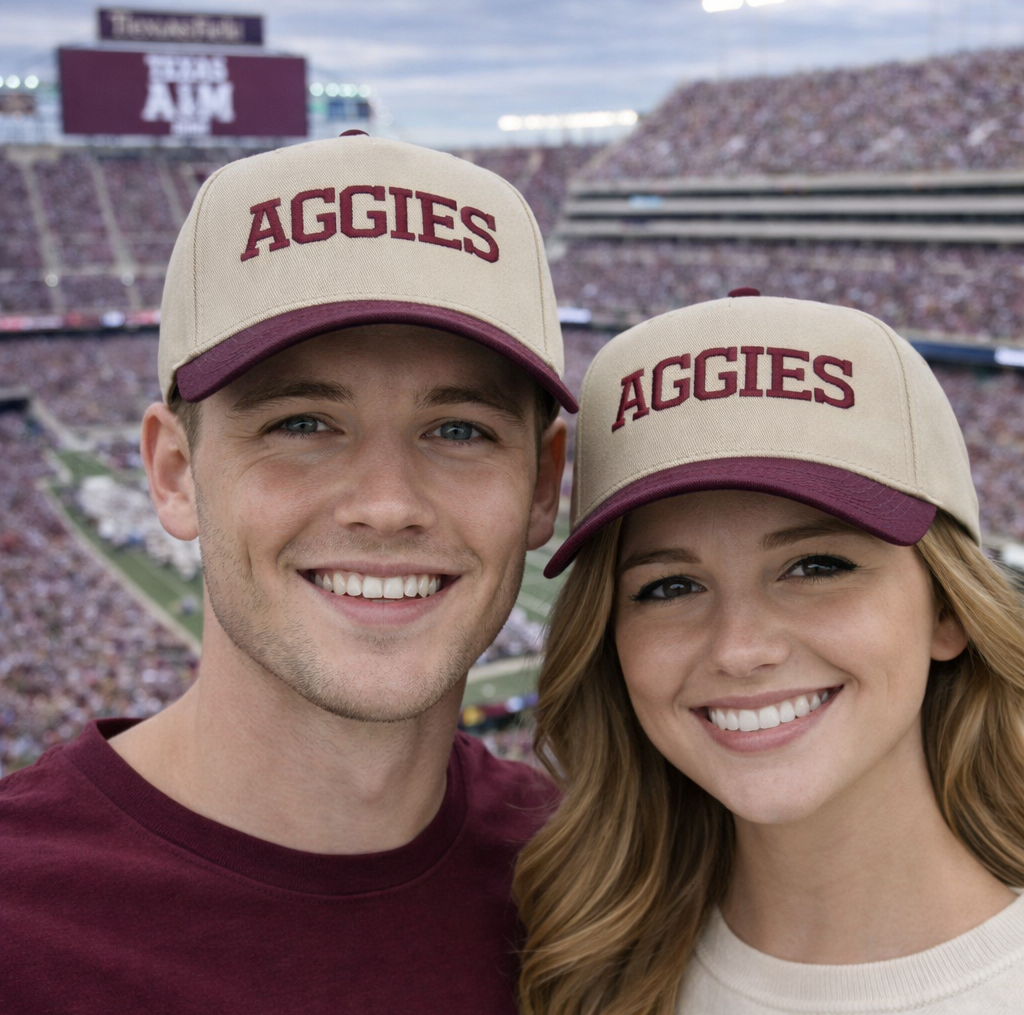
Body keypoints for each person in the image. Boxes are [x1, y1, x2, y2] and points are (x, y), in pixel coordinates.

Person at [0, 133, 573, 1013]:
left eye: (459, 429)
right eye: (302, 424)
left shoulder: (590, 884)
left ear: (541, 484)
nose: (386, 504)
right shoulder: (22, 919)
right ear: (174, 473)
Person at [515, 292, 1024, 1015]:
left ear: (947, 609)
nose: (741, 648)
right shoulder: (573, 963)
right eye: (670, 586)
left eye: (816, 567)